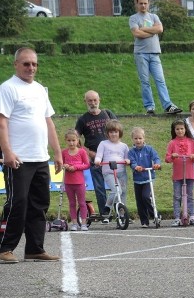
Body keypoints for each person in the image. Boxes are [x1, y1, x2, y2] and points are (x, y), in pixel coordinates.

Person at [0, 48, 63, 264]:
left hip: (40, 158)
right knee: (17, 203)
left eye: (34, 64)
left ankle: (35, 248)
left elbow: (49, 122)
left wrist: (57, 153)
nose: (31, 68)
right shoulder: (7, 88)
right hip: (18, 159)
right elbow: (2, 122)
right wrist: (7, 151)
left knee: (40, 203)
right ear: (16, 64)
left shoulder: (39, 90)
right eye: (26, 64)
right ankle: (4, 248)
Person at [129, 0, 182, 116]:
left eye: (145, 3)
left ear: (149, 4)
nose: (143, 5)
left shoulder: (154, 17)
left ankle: (168, 105)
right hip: (141, 53)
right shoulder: (133, 18)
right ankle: (149, 107)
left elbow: (160, 29)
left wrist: (143, 29)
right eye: (141, 3)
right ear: (137, 4)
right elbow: (137, 34)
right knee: (145, 81)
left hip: (154, 53)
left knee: (160, 80)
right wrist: (152, 31)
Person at [75, 90, 117, 221]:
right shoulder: (82, 120)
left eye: (95, 100)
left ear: (99, 100)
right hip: (95, 159)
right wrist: (88, 153)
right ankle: (106, 215)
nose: (93, 103)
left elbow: (118, 130)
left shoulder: (108, 114)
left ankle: (121, 213)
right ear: (85, 102)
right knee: (99, 188)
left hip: (111, 157)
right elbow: (75, 139)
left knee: (117, 187)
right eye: (90, 101)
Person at [94, 119, 131, 218]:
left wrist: (127, 161)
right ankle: (107, 206)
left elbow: (127, 157)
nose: (113, 134)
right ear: (107, 133)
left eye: (116, 132)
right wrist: (97, 160)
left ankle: (122, 215)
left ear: (120, 133)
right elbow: (99, 155)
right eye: (111, 132)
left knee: (123, 192)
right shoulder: (103, 144)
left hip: (121, 172)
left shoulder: (124, 146)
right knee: (116, 191)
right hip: (109, 172)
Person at [165, 119, 194, 226]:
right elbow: (167, 158)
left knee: (190, 195)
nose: (180, 131)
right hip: (178, 174)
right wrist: (172, 156)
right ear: (174, 130)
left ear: (185, 129)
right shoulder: (172, 143)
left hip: (189, 173)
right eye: (177, 129)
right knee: (177, 196)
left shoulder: (191, 141)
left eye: (182, 129)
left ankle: (192, 216)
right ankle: (176, 217)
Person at [128, 126, 161, 228]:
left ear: (144, 138)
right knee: (140, 201)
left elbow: (156, 158)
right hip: (137, 179)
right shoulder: (131, 152)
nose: (138, 140)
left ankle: (154, 214)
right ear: (132, 139)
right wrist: (135, 166)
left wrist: (156, 164)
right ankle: (144, 221)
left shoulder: (149, 149)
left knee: (146, 197)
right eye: (136, 138)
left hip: (148, 178)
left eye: (140, 138)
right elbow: (132, 162)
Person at [61, 129, 91, 231]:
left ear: (78, 140)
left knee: (82, 203)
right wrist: (64, 165)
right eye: (69, 141)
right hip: (68, 182)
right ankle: (74, 223)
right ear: (66, 140)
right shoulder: (64, 152)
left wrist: (75, 167)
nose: (71, 143)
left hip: (79, 182)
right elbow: (60, 164)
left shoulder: (82, 151)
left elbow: (87, 165)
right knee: (72, 203)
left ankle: (83, 223)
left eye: (73, 140)